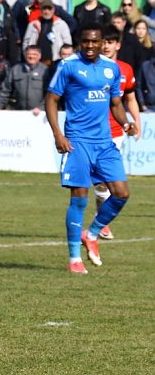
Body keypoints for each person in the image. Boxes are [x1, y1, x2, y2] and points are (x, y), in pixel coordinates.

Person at [45, 23, 137, 275]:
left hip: (104, 143)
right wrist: (58, 134)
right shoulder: (68, 66)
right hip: (77, 142)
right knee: (79, 199)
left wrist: (126, 122)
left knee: (121, 193)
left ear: (101, 42)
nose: (90, 46)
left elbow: (116, 102)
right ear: (80, 42)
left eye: (95, 42)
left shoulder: (111, 68)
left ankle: (92, 232)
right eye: (85, 41)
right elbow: (51, 99)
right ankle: (74, 257)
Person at [91, 26, 142, 241]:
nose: (106, 45)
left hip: (115, 132)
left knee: (106, 181)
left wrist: (135, 121)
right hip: (92, 131)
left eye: (110, 42)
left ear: (117, 45)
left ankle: (100, 222)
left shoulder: (126, 70)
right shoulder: (92, 68)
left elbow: (129, 98)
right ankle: (100, 221)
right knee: (101, 183)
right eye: (104, 41)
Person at [0, 45, 46, 115]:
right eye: (29, 54)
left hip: (39, 114)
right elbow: (5, 90)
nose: (31, 57)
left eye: (35, 54)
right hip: (18, 113)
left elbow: (49, 94)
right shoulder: (15, 69)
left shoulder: (45, 71)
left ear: (40, 56)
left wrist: (41, 108)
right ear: (25, 55)